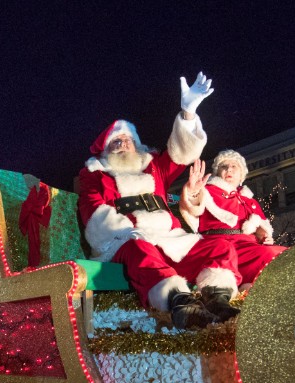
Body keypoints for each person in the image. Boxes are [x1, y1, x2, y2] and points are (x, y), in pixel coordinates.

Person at [78, 73, 243, 329]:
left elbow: (181, 153)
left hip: (168, 237)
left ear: (137, 145)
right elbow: (93, 210)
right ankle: (180, 304)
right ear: (106, 150)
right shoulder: (96, 174)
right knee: (139, 249)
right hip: (125, 240)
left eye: (128, 141)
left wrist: (188, 113)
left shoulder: (154, 166)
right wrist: (125, 232)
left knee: (218, 246)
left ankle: (218, 300)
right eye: (116, 142)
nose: (123, 146)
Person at [180, 150, 287, 286]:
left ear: (241, 174)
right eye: (223, 166)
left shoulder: (249, 200)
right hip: (221, 246)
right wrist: (193, 192)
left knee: (283, 253)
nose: (229, 169)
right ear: (217, 172)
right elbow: (193, 206)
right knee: (268, 254)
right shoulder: (207, 190)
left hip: (249, 246)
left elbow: (260, 225)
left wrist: (264, 235)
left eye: (234, 166)